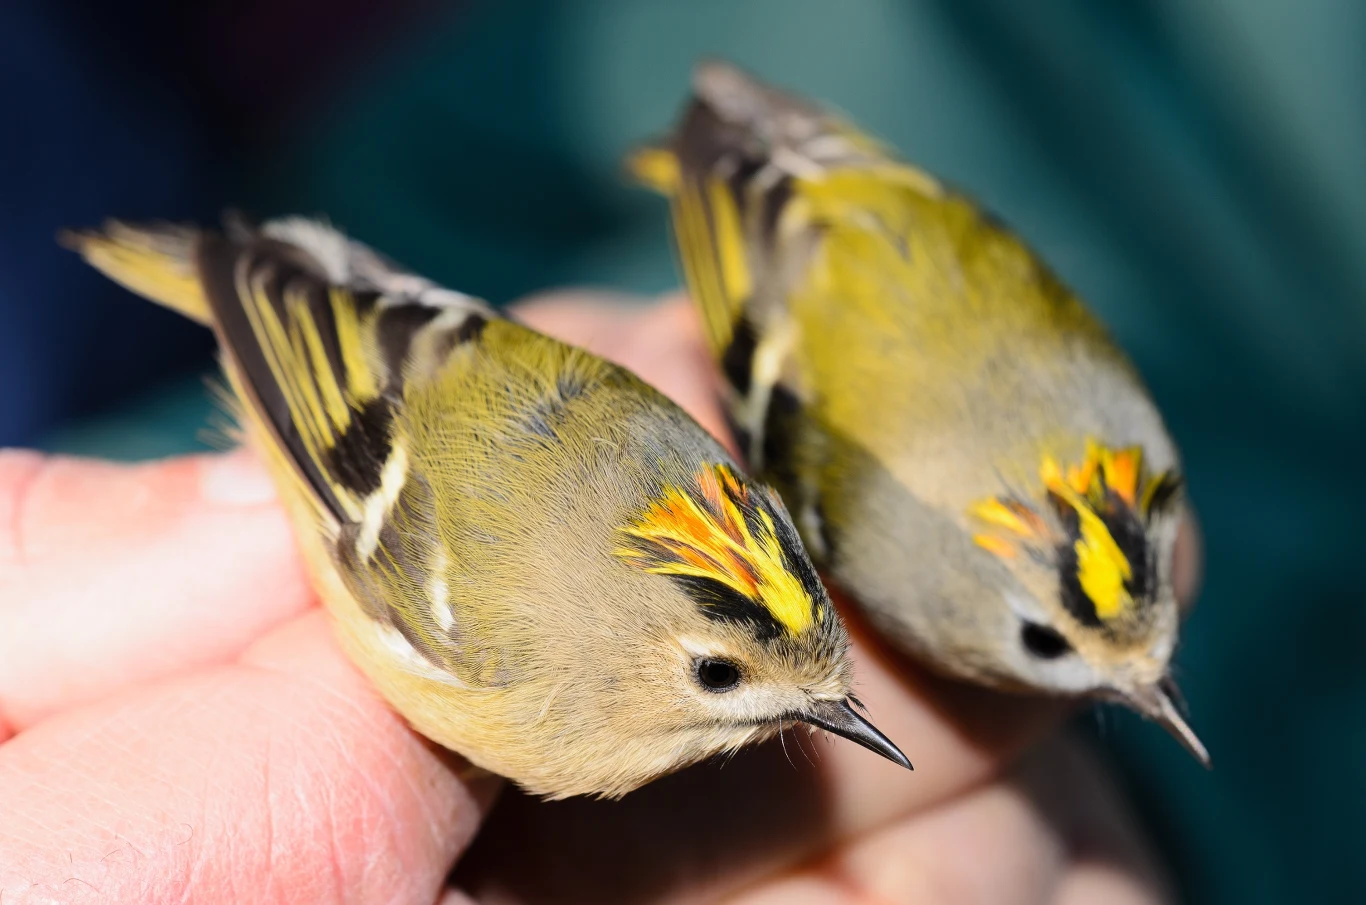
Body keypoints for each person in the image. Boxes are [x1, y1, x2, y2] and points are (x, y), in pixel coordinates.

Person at [0, 294, 1193, 904]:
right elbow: (329, 458)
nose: (818, 716)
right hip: (326, 398)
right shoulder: (513, 647)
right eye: (721, 672)